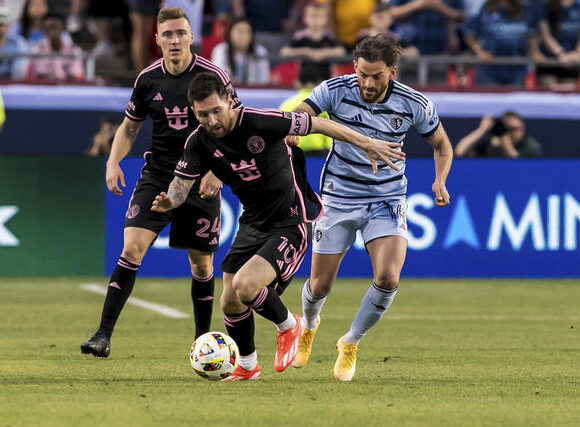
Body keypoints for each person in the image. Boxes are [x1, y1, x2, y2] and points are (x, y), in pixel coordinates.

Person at [151, 71, 405, 381]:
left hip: (291, 220)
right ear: (194, 112)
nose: (212, 120)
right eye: (203, 114)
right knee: (230, 300)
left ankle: (290, 325)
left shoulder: (260, 121)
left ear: (229, 102)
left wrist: (366, 143)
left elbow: (319, 123)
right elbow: (180, 187)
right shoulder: (199, 142)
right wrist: (170, 202)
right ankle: (247, 366)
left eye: (217, 110)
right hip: (253, 222)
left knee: (246, 286)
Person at [289, 34, 453, 381]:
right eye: (362, 73)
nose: (367, 82)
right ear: (354, 66)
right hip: (338, 197)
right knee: (319, 285)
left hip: (387, 199)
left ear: (392, 72)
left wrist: (440, 180)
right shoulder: (333, 90)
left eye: (376, 76)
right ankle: (308, 326)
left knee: (388, 277)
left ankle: (350, 343)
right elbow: (299, 117)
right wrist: (294, 130)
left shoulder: (414, 103)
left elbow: (442, 145)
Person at [80, 7, 238, 358]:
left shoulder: (214, 77)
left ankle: (202, 343)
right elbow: (130, 126)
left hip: (199, 180)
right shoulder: (148, 79)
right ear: (157, 40)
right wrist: (113, 161)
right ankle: (103, 335)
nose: (175, 40)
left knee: (202, 266)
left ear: (191, 36)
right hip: (159, 176)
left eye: (181, 33)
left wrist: (217, 170)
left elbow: (234, 127)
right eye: (167, 34)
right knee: (131, 248)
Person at [280, 2, 346, 82]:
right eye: (312, 16)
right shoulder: (300, 36)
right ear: (305, 18)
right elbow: (284, 52)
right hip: (305, 81)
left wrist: (323, 53)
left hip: (326, 81)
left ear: (326, 19)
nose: (315, 19)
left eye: (319, 16)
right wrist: (306, 52)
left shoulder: (329, 36)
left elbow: (341, 51)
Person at [279, 65, 332, 156]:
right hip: (319, 155)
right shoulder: (324, 106)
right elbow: (331, 134)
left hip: (293, 154)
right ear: (319, 83)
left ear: (297, 83)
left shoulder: (285, 105)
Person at [454, 111, 542, 158]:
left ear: (523, 129)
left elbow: (516, 163)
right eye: (507, 129)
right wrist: (481, 130)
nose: (510, 133)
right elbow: (460, 152)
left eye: (515, 129)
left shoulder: (530, 145)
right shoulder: (489, 143)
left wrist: (505, 142)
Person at [211, 17, 270, 85]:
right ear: (230, 33)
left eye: (248, 32)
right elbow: (220, 79)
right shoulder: (221, 50)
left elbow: (263, 82)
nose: (244, 35)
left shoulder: (260, 52)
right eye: (240, 31)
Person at [536, 0, 580, 90]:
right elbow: (545, 35)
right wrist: (560, 54)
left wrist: (577, 53)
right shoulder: (546, 5)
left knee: (568, 98)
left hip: (571, 59)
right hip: (549, 60)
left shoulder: (578, 5)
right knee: (547, 95)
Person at [28, 13, 85, 82]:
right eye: (48, 29)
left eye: (54, 27)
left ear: (62, 29)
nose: (52, 32)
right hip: (44, 88)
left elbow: (76, 76)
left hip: (68, 88)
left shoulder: (73, 49)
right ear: (44, 31)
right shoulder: (37, 50)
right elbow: (39, 76)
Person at [0, 6, 29, 80]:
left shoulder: (19, 43)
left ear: (7, 25)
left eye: (1, 24)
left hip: (11, 86)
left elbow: (19, 72)